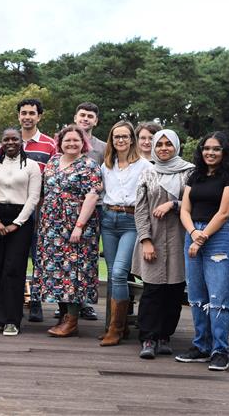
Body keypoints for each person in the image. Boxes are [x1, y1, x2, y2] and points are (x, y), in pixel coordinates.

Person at [177, 131, 229, 372]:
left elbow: (224, 212)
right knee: (196, 297)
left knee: (218, 299)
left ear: (224, 152)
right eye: (206, 148)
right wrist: (193, 234)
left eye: (216, 149)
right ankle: (201, 347)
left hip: (219, 237)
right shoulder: (195, 175)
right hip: (193, 233)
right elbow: (185, 209)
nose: (210, 153)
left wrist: (201, 238)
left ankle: (219, 351)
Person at [33, 125, 103, 337]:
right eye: (67, 141)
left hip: (76, 225)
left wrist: (79, 226)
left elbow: (92, 196)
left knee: (74, 272)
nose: (72, 144)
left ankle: (72, 320)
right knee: (55, 271)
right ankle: (63, 316)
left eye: (76, 140)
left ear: (84, 143)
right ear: (59, 143)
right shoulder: (53, 162)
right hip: (51, 226)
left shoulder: (89, 165)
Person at [132, 130, 194, 359]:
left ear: (176, 146)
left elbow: (195, 202)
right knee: (152, 290)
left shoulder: (189, 173)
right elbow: (140, 209)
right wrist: (145, 240)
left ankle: (165, 336)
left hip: (179, 238)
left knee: (174, 290)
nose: (164, 148)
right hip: (154, 238)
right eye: (160, 144)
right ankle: (148, 338)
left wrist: (173, 205)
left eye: (169, 144)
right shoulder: (148, 172)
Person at [0, 128, 42, 336]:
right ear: (1, 142)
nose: (10, 142)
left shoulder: (31, 166)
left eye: (14, 139)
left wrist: (16, 223)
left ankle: (12, 320)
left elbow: (33, 198)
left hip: (21, 221)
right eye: (6, 139)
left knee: (13, 270)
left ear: (21, 142)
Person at [98, 121, 152, 346]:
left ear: (132, 139)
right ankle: (114, 325)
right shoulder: (106, 166)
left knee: (120, 271)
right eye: (116, 136)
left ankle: (116, 328)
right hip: (108, 219)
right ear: (112, 140)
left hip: (131, 220)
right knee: (112, 273)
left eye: (125, 136)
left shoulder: (145, 166)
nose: (120, 140)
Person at [17, 98, 57, 323]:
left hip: (40, 210)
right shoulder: (9, 142)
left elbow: (53, 177)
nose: (27, 117)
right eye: (24, 113)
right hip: (13, 209)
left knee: (38, 258)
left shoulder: (50, 145)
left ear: (39, 116)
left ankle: (35, 302)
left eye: (32, 113)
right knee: (16, 257)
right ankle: (14, 300)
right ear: (18, 116)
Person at [66, 102, 106, 322]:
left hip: (95, 208)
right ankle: (66, 303)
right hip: (67, 209)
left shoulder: (103, 147)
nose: (86, 119)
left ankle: (85, 303)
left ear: (96, 120)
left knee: (87, 257)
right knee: (67, 257)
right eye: (82, 115)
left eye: (90, 116)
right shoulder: (66, 141)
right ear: (75, 117)